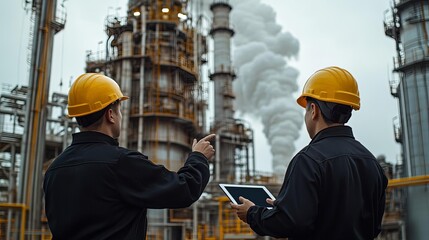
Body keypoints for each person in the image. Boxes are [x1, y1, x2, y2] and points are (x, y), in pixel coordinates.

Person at [43, 73, 215, 239]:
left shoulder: (55, 169)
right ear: (110, 115)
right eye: (119, 109)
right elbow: (184, 189)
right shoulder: (120, 163)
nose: (121, 115)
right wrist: (198, 157)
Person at [230, 66, 388, 240]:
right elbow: (374, 227)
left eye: (306, 109)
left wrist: (252, 213)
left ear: (314, 110)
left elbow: (292, 223)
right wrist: (289, 206)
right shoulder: (372, 163)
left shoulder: (308, 160)